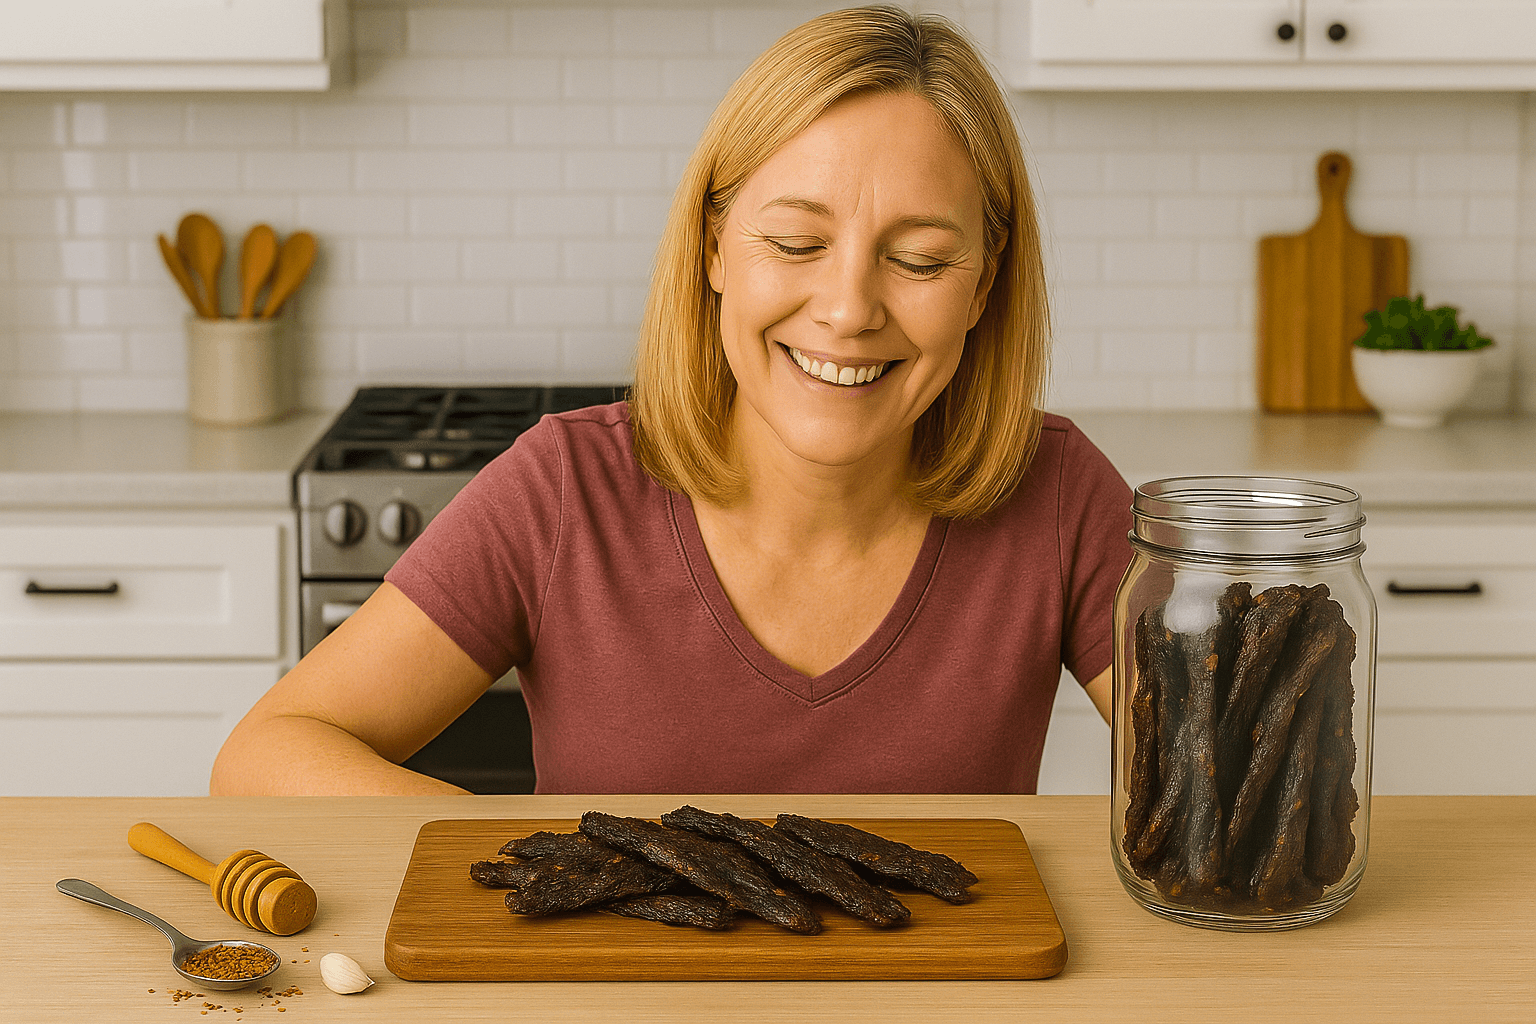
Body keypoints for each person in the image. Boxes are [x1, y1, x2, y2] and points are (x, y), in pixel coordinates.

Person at [210, 5, 1133, 797]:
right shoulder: (565, 485)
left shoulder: (1056, 493)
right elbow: (264, 756)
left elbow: (1235, 788)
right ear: (713, 250)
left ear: (981, 286)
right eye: (795, 244)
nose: (850, 310)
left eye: (920, 259)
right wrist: (519, 851)